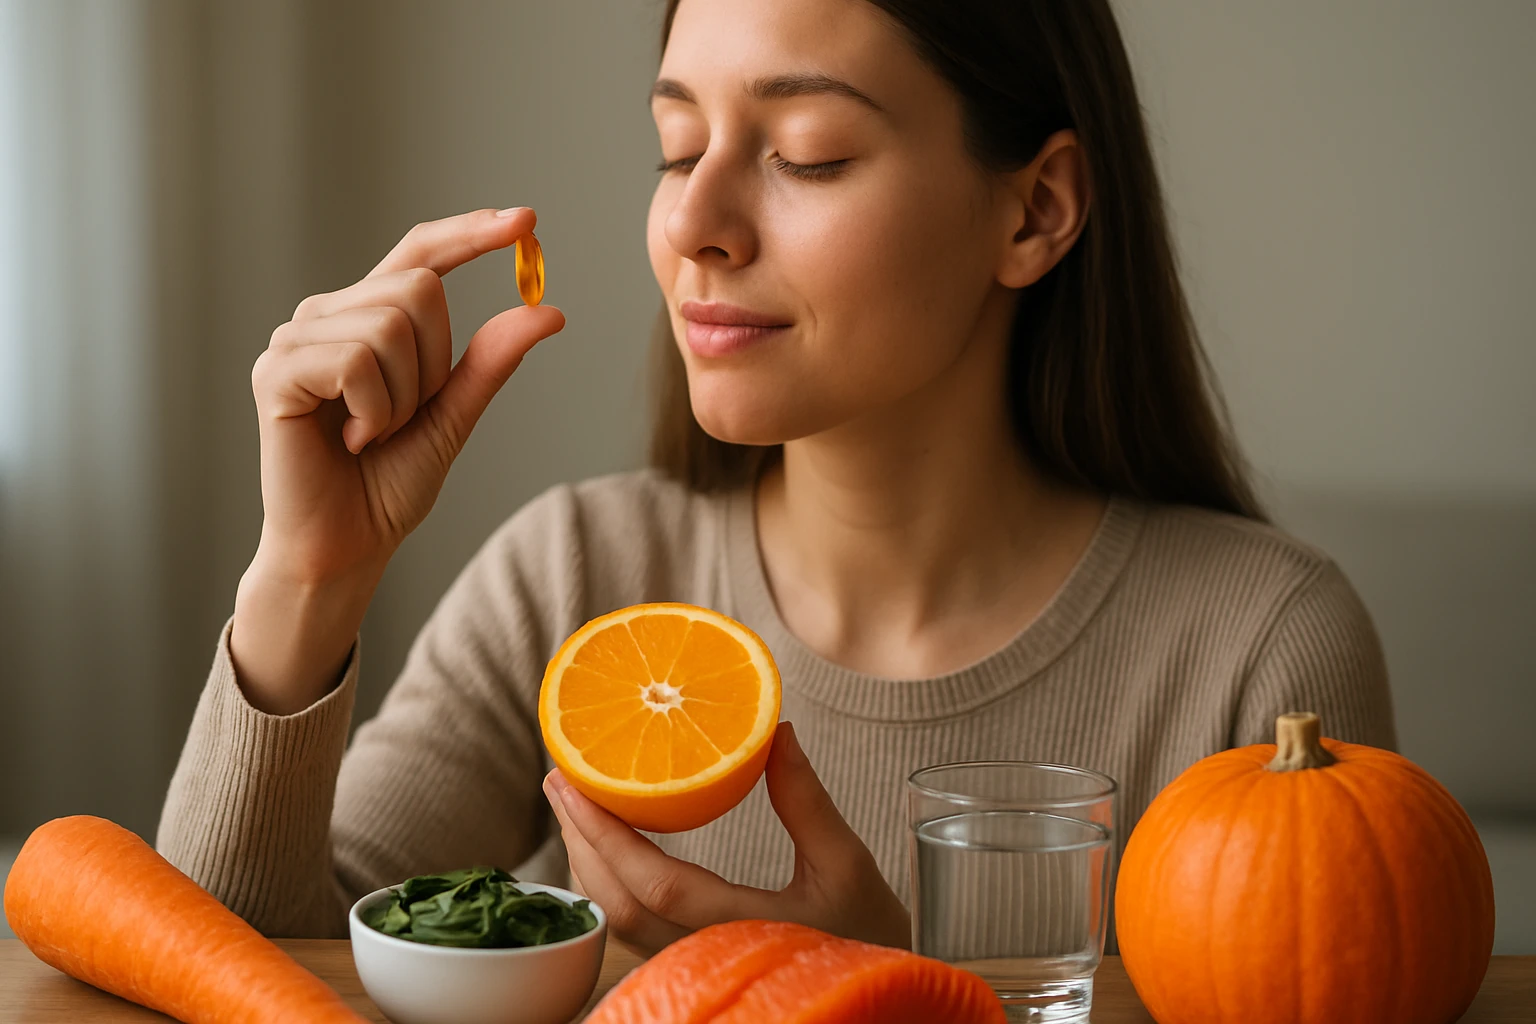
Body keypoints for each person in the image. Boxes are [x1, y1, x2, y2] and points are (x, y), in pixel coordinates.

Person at [157, 0, 1395, 955]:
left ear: (1035, 212)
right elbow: (236, 970)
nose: (696, 220)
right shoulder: (573, 577)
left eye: (805, 153)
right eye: (676, 143)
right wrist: (308, 577)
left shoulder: (1262, 649)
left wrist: (897, 1001)